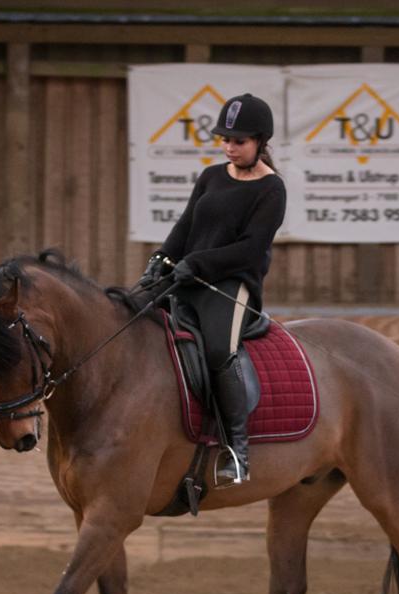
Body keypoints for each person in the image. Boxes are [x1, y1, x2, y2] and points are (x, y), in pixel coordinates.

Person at [131, 93, 287, 487]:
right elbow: (186, 227)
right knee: (131, 313)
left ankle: (237, 450)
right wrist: (161, 259)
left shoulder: (271, 189)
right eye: (225, 140)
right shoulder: (211, 176)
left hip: (232, 286)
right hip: (186, 275)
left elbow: (251, 249)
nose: (230, 147)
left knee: (220, 350)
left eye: (239, 141)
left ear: (260, 142)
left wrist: (197, 263)